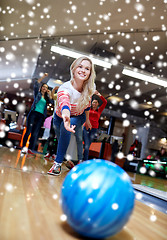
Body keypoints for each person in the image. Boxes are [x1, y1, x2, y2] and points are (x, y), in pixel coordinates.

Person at [47, 56, 96, 175]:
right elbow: (65, 106)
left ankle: (57, 164)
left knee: (65, 131)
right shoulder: (65, 88)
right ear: (73, 69)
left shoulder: (90, 88)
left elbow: (88, 105)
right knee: (61, 140)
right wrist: (66, 119)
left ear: (90, 73)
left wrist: (88, 120)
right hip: (60, 117)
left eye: (87, 69)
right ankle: (64, 159)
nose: (83, 70)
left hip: (79, 117)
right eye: (80, 67)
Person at [21, 73, 53, 154]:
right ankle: (24, 148)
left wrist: (49, 93)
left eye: (46, 88)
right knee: (29, 131)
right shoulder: (37, 94)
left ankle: (30, 149)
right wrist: (43, 77)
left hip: (41, 116)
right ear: (41, 88)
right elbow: (36, 84)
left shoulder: (46, 98)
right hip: (33, 113)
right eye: (44, 87)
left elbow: (52, 101)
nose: (44, 88)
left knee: (35, 133)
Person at [83, 90, 107, 161]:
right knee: (87, 145)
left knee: (88, 145)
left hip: (94, 129)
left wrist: (99, 95)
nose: (94, 103)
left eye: (96, 102)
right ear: (91, 103)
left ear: (98, 104)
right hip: (86, 127)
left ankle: (83, 159)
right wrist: (91, 94)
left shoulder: (99, 110)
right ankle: (85, 160)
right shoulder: (88, 109)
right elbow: (86, 100)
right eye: (93, 102)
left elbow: (105, 102)